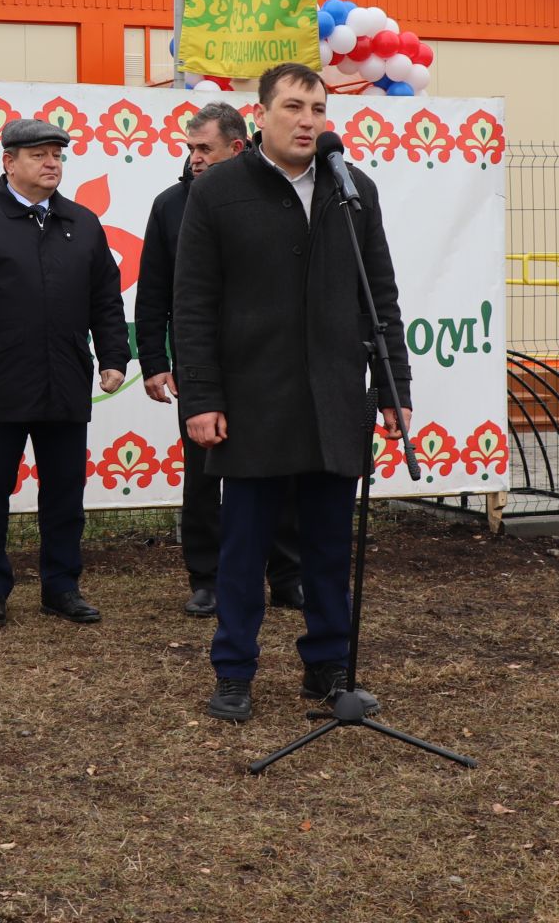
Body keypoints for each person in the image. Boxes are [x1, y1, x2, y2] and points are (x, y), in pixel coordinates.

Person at [173, 64, 412, 723]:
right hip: (251, 403)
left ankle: (328, 669)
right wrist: (201, 398)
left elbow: (380, 296)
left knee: (329, 549)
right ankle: (234, 673)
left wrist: (395, 384)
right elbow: (192, 304)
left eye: (318, 108)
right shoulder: (219, 191)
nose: (309, 120)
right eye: (294, 106)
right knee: (244, 549)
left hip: (333, 400)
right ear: (261, 115)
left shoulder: (351, 189)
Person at [0, 118, 131, 628]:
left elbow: (106, 298)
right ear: (9, 162)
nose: (51, 164)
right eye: (39, 155)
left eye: (57, 156)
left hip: (64, 379)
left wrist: (112, 357)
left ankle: (61, 587)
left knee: (65, 493)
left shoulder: (82, 222)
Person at [135, 103, 302, 617]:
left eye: (203, 148)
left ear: (238, 146)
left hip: (270, 365)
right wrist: (154, 360)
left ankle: (288, 576)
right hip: (201, 368)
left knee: (281, 473)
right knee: (204, 478)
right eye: (189, 149)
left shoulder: (281, 194)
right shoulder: (170, 205)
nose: (194, 159)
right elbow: (154, 293)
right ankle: (206, 579)